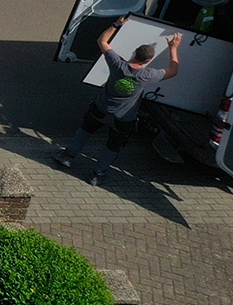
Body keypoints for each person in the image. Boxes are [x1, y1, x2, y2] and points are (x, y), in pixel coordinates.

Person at [55, 16, 181, 185]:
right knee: (113, 145)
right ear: (148, 61)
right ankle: (98, 174)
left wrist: (116, 25)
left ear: (134, 53)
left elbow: (102, 41)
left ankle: (67, 156)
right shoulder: (147, 75)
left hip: (101, 107)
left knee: (85, 130)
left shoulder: (117, 64)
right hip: (124, 118)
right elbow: (173, 71)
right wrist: (173, 48)